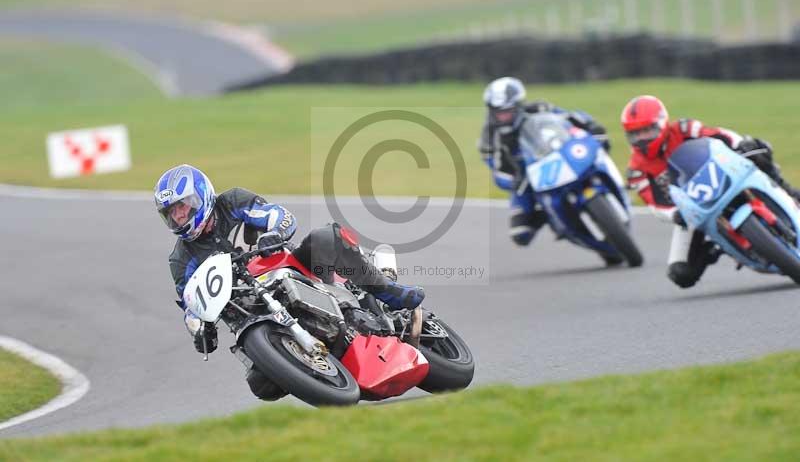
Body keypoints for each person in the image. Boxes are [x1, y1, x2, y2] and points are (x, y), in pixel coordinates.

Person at [154, 164, 425, 399]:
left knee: (325, 237)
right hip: (249, 307)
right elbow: (191, 302)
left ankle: (389, 292)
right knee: (261, 387)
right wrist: (200, 328)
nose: (179, 216)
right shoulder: (179, 259)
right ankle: (314, 368)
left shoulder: (231, 203)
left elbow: (278, 215)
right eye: (171, 213)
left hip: (288, 269)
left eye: (182, 206)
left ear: (200, 195)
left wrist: (273, 234)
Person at [621, 94, 800, 288]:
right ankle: (718, 244)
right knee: (681, 274)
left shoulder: (684, 128)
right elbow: (653, 204)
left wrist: (740, 144)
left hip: (720, 175)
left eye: (647, 130)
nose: (642, 138)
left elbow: (719, 134)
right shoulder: (636, 170)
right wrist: (674, 214)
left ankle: (788, 192)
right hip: (691, 208)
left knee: (759, 152)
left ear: (662, 123)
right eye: (636, 133)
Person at [477, 77, 611, 253]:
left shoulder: (538, 109)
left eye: (508, 111)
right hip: (525, 179)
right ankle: (550, 217)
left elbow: (569, 117)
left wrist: (591, 126)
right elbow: (496, 170)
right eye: (498, 112)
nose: (503, 117)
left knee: (596, 149)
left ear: (518, 105)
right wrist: (514, 181)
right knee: (520, 234)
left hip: (555, 156)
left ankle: (608, 183)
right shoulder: (489, 138)